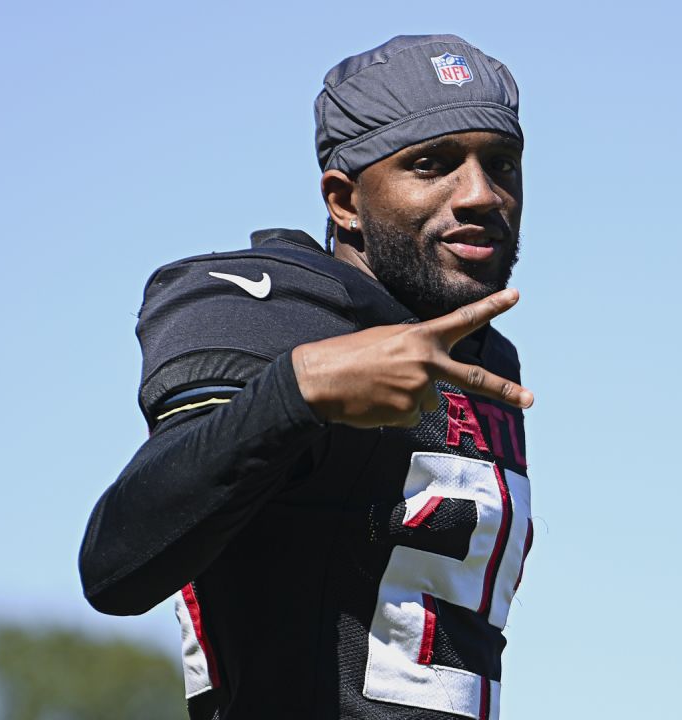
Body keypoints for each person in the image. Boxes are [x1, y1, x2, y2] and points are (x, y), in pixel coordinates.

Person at [79, 34, 535, 720]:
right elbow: (116, 563)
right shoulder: (274, 306)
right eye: (431, 164)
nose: (480, 194)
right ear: (344, 200)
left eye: (500, 163)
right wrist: (295, 391)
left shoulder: (486, 356)